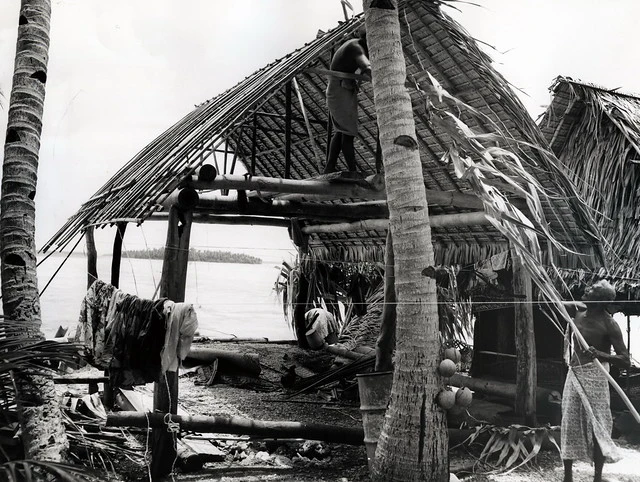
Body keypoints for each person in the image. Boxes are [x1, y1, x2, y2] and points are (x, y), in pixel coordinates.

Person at [561, 280, 630, 482]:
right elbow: (555, 302)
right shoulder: (577, 312)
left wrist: (600, 354)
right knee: (568, 422)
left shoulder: (610, 324)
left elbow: (625, 359)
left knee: (598, 424)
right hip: (574, 373)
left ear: (600, 300)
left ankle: (597, 477)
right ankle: (568, 477)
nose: (586, 288)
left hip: (596, 376)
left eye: (592, 289)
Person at [324, 28, 372, 174]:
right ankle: (352, 171)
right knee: (348, 133)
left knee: (341, 132)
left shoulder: (356, 44)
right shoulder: (356, 47)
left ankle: (329, 167)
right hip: (339, 90)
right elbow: (367, 67)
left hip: (341, 88)